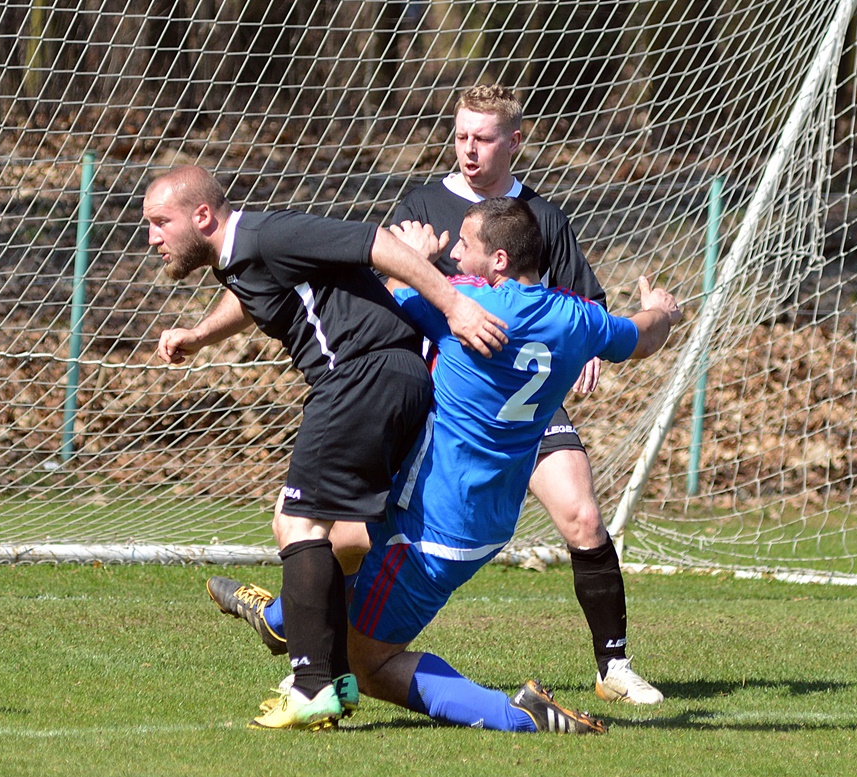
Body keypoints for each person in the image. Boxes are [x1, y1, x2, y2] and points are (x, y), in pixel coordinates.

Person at [220, 198, 682, 732]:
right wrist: (663, 310)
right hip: (480, 514)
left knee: (375, 662)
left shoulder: (464, 308)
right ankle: (280, 620)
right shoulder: (577, 317)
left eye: (465, 244)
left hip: (435, 522)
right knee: (324, 536)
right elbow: (643, 333)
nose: (454, 251)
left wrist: (412, 256)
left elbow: (379, 306)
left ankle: (517, 716)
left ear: (500, 261)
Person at [146, 165, 506, 730]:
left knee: (298, 525)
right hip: (382, 378)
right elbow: (252, 298)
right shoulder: (244, 259)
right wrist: (197, 336)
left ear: (201, 216)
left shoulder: (269, 234)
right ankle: (329, 669)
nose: (152, 238)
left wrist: (454, 305)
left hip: (359, 377)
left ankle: (311, 684)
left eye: (159, 222)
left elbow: (375, 243)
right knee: (339, 536)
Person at [387, 84, 661, 703]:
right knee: (376, 525)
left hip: (532, 399)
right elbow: (391, 281)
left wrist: (588, 344)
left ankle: (613, 668)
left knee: (583, 514)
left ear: (514, 141)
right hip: (448, 404)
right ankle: (314, 634)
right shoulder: (424, 203)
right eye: (460, 135)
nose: (468, 149)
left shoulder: (543, 217)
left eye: (483, 138)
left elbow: (584, 301)